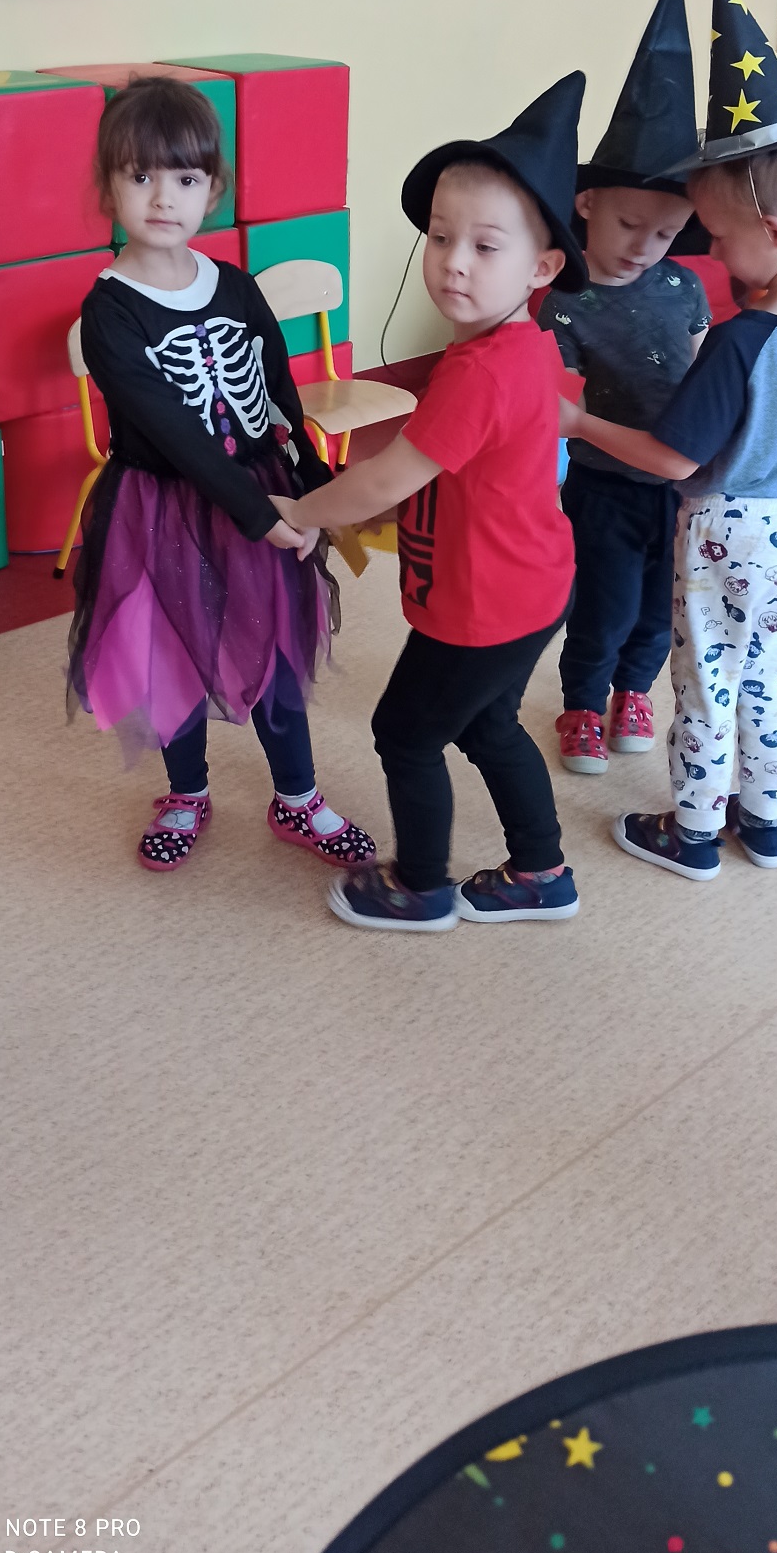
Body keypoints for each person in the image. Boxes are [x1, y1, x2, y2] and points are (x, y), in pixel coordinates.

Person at [273, 75, 587, 931]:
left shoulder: (478, 373)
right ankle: (542, 873)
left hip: (482, 606)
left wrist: (301, 512)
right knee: (488, 726)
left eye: (486, 246)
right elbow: (456, 476)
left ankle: (419, 887)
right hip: (532, 587)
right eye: (441, 237)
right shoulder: (523, 349)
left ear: (542, 267)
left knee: (406, 734)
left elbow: (387, 477)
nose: (453, 260)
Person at [67, 77, 375, 874]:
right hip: (162, 505)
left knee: (272, 646)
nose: (161, 197)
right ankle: (187, 792)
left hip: (263, 488)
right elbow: (172, 433)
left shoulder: (236, 286)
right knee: (171, 651)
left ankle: (297, 797)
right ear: (107, 188)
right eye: (139, 176)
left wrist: (313, 487)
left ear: (214, 188)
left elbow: (276, 391)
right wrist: (258, 512)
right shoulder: (110, 311)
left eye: (184, 178)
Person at [560, 0, 777, 878]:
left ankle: (695, 832)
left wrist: (578, 424)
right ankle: (766, 823)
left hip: (724, 527)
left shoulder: (745, 339)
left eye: (720, 237)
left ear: (775, 237)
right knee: (772, 675)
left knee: (706, 678)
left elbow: (672, 458)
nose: (714, 255)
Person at [537, 0, 710, 773]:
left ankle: (632, 692)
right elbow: (555, 407)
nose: (646, 246)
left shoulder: (683, 287)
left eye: (666, 233)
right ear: (587, 205)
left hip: (676, 484)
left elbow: (702, 368)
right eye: (631, 223)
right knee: (603, 606)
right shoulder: (565, 301)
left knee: (655, 608)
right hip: (604, 485)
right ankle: (581, 703)